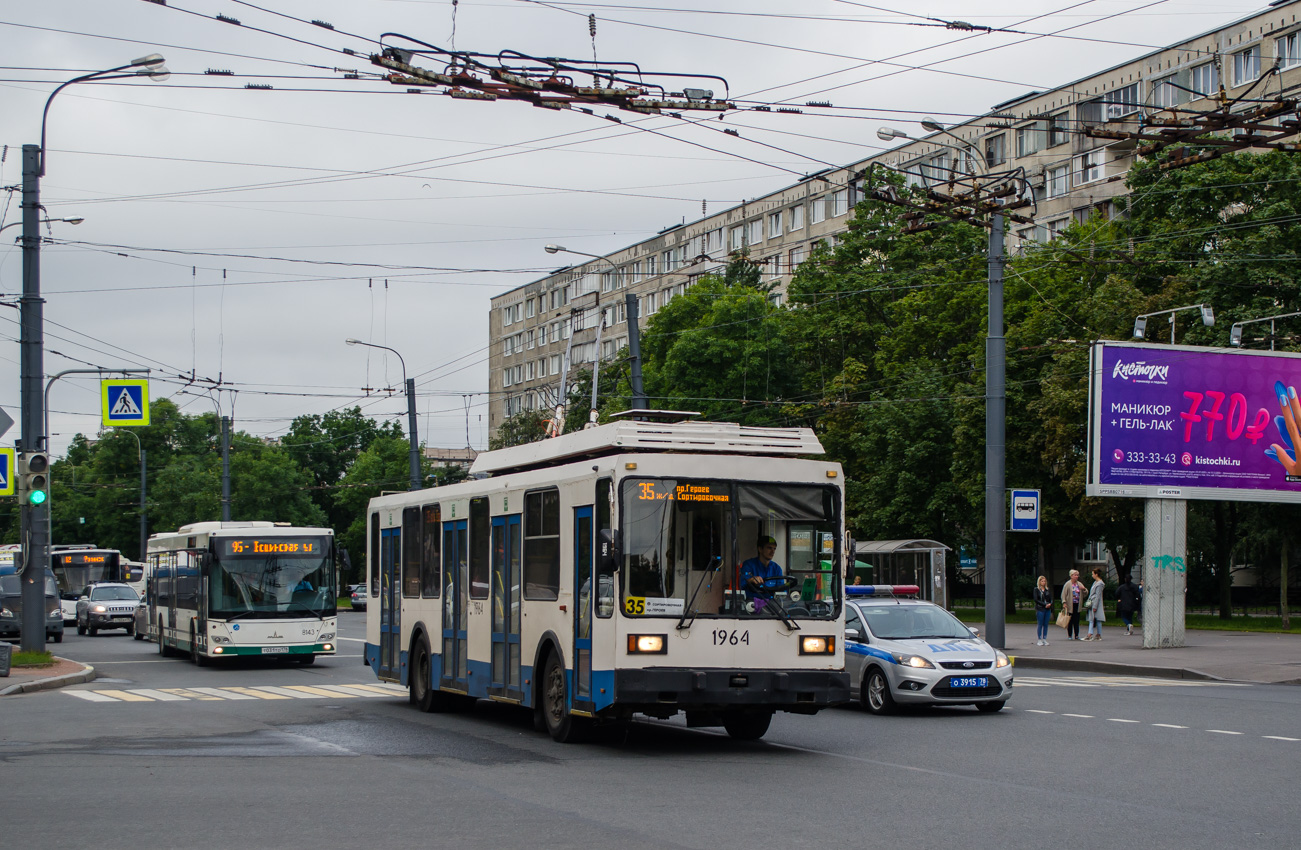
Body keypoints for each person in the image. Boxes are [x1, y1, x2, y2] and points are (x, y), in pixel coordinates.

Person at [739, 536, 783, 603]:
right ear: (760, 549)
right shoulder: (748, 565)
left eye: (774, 549)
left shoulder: (777, 569)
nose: (772, 551)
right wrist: (751, 579)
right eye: (769, 548)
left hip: (772, 606)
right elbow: (741, 583)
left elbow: (781, 590)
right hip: (751, 604)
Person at [1060, 569, 1086, 640]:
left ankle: (1077, 635)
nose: (1076, 576)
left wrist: (1084, 589)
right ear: (1071, 576)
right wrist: (1064, 602)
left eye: (1077, 575)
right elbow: (1063, 594)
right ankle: (1069, 635)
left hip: (1077, 605)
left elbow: (1085, 593)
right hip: (1070, 605)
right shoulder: (1068, 584)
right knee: (1070, 621)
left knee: (1076, 621)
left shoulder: (1079, 584)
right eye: (1075, 575)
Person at [1084, 567, 1106, 641]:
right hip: (1093, 602)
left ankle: (1090, 634)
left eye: (1093, 574)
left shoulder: (1100, 584)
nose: (1092, 575)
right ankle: (1098, 634)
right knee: (1097, 619)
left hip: (1095, 603)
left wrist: (1095, 606)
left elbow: (1098, 595)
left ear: (1096, 574)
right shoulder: (1095, 582)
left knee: (1092, 619)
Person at [1033, 575, 1053, 646]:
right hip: (1040, 608)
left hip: (1047, 609)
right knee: (1040, 624)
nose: (1043, 582)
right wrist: (1044, 604)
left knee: (1046, 624)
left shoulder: (1047, 589)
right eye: (1042, 581)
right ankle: (1039, 639)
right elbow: (1036, 599)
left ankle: (1044, 638)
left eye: (1044, 581)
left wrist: (1050, 604)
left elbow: (1050, 598)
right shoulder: (1036, 589)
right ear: (1039, 582)